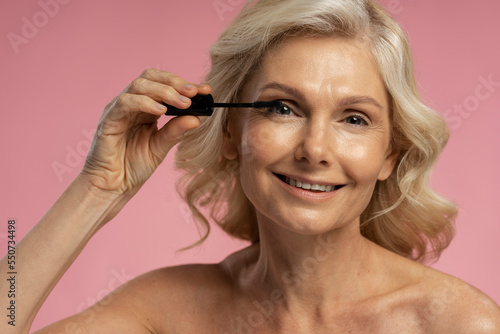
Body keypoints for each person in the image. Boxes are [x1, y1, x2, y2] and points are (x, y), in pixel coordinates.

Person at [2, 0, 500, 333]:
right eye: (282, 108)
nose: (315, 149)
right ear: (229, 134)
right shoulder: (165, 314)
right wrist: (98, 189)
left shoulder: (455, 323)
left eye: (354, 118)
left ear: (389, 154)